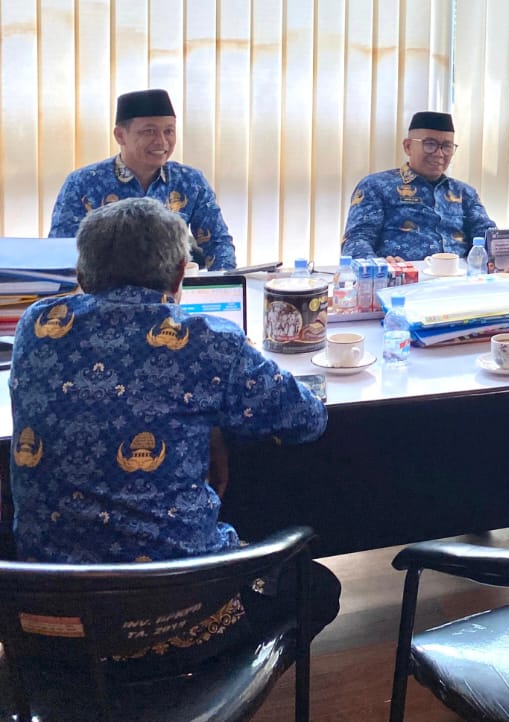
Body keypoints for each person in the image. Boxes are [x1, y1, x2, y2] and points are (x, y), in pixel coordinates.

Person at [10, 197, 336, 665]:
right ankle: (191, 684)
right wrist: (214, 414)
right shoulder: (209, 340)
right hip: (171, 611)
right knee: (317, 587)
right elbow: (307, 419)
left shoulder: (36, 326)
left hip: (46, 613)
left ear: (81, 272)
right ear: (181, 273)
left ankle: (105, 685)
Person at [49, 89, 237, 271]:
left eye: (169, 131)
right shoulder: (83, 183)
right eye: (149, 131)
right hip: (105, 290)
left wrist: (224, 286)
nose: (162, 141)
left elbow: (218, 243)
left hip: (173, 289)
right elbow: (60, 252)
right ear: (120, 135)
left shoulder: (190, 181)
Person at [341, 111, 496, 262]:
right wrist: (379, 266)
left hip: (460, 275)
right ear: (408, 146)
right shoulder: (376, 186)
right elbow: (356, 240)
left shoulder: (464, 192)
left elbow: (488, 236)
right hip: (401, 275)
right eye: (430, 144)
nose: (439, 153)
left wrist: (504, 256)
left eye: (447, 146)